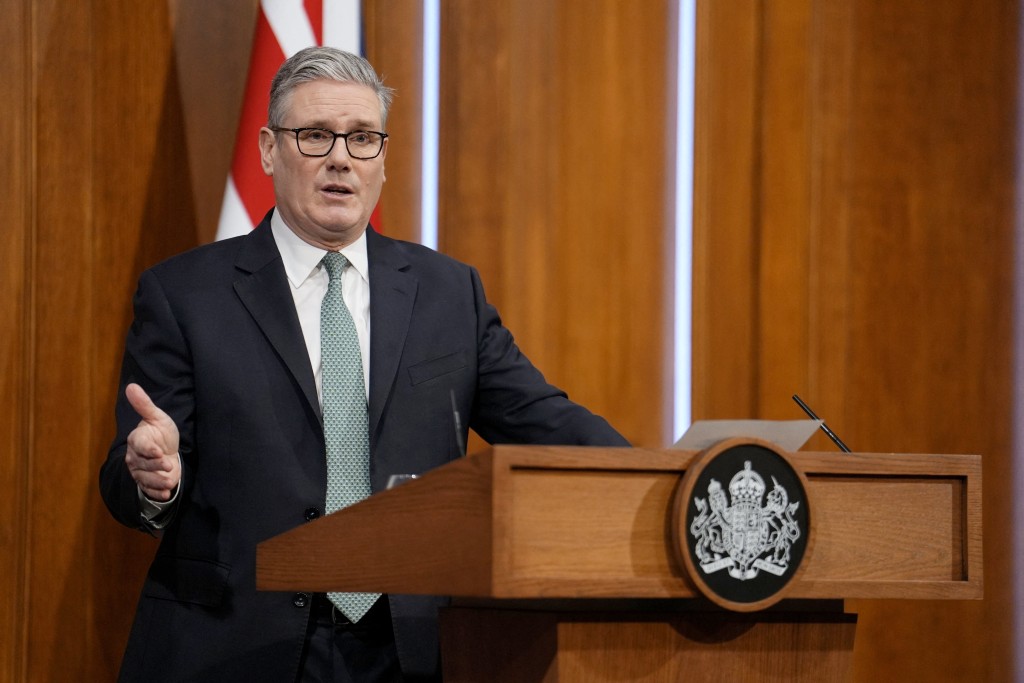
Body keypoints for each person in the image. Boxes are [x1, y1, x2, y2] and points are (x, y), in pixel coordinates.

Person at [99, 46, 629, 683]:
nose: (341, 158)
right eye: (315, 135)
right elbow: (127, 482)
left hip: (408, 648)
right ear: (269, 150)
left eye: (362, 138)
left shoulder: (446, 292)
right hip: (235, 645)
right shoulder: (185, 295)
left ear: (383, 157)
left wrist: (659, 482)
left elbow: (546, 423)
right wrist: (156, 480)